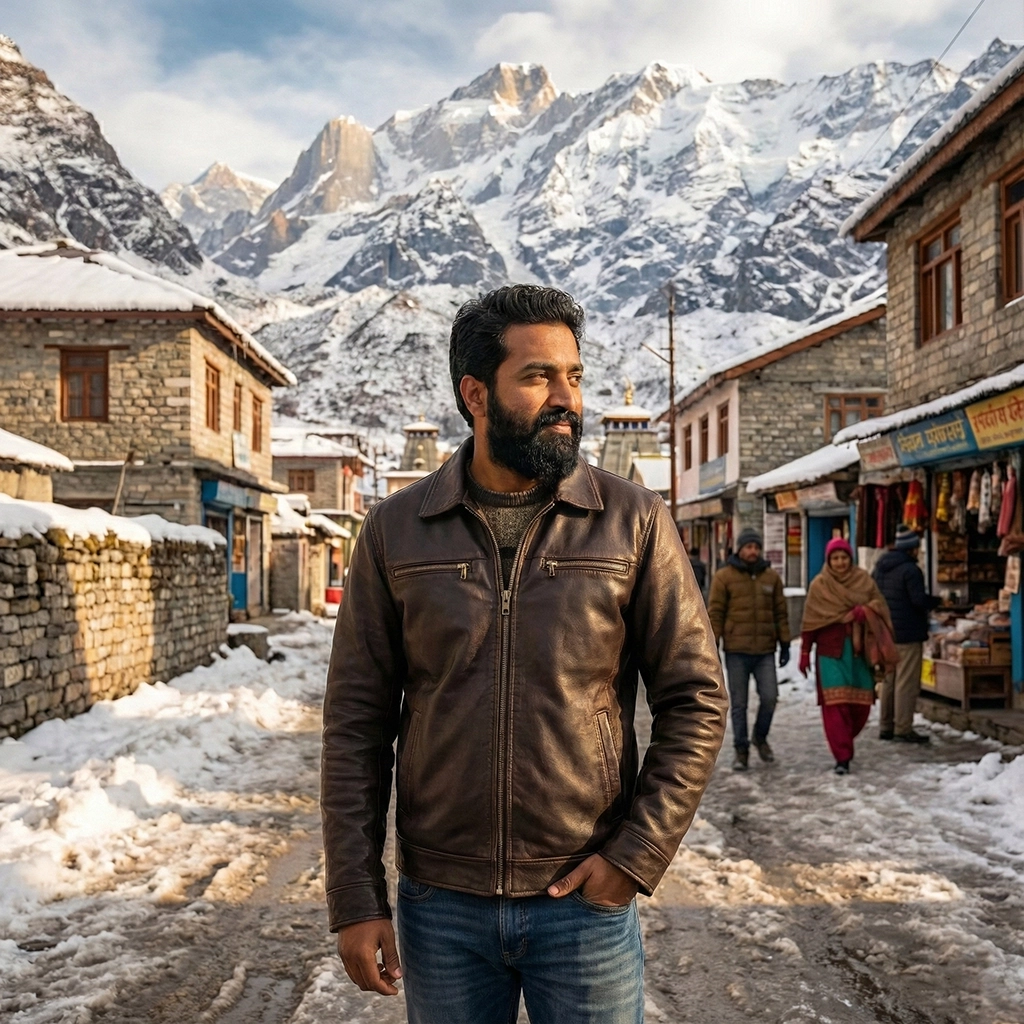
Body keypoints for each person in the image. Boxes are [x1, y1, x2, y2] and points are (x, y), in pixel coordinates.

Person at [321, 284, 727, 1024]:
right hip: (440, 907)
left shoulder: (632, 522)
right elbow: (356, 723)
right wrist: (355, 895)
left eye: (573, 376)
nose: (565, 397)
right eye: (539, 377)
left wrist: (634, 857)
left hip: (583, 900)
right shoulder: (394, 531)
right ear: (475, 393)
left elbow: (696, 697)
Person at [799, 538, 898, 774]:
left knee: (860, 704)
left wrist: (866, 611)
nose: (840, 562)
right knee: (835, 704)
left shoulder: (864, 580)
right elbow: (811, 622)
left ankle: (844, 738)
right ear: (829, 561)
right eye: (835, 558)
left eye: (844, 557)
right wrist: (804, 651)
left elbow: (879, 604)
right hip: (829, 652)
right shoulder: (820, 585)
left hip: (860, 652)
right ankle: (842, 756)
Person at [708, 527, 791, 771]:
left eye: (756, 547)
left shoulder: (771, 578)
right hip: (737, 651)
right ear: (740, 549)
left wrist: (785, 643)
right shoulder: (724, 577)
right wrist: (713, 645)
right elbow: (715, 613)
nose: (753, 551)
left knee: (770, 697)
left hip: (765, 650)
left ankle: (760, 737)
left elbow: (780, 613)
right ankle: (741, 749)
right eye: (748, 547)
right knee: (739, 704)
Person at [872, 524, 940, 743]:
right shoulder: (911, 570)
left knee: (889, 680)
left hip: (886, 633)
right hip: (908, 632)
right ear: (911, 548)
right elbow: (918, 600)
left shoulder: (879, 568)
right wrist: (937, 602)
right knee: (906, 682)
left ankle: (886, 726)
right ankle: (903, 728)